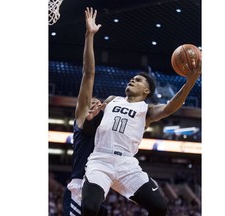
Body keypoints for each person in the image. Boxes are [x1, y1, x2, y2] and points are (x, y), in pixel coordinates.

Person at [81, 43, 202, 215]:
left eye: (138, 80)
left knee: (160, 208)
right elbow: (89, 129)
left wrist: (190, 82)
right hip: (101, 159)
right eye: (132, 79)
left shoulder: (147, 110)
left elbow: (169, 108)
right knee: (89, 208)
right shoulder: (112, 99)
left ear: (147, 90)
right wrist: (90, 119)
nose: (132, 80)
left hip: (127, 164)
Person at [62, 7, 107, 216]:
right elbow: (89, 73)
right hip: (79, 189)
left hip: (100, 190)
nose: (94, 103)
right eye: (91, 101)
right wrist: (89, 36)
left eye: (98, 103)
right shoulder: (81, 118)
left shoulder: (105, 131)